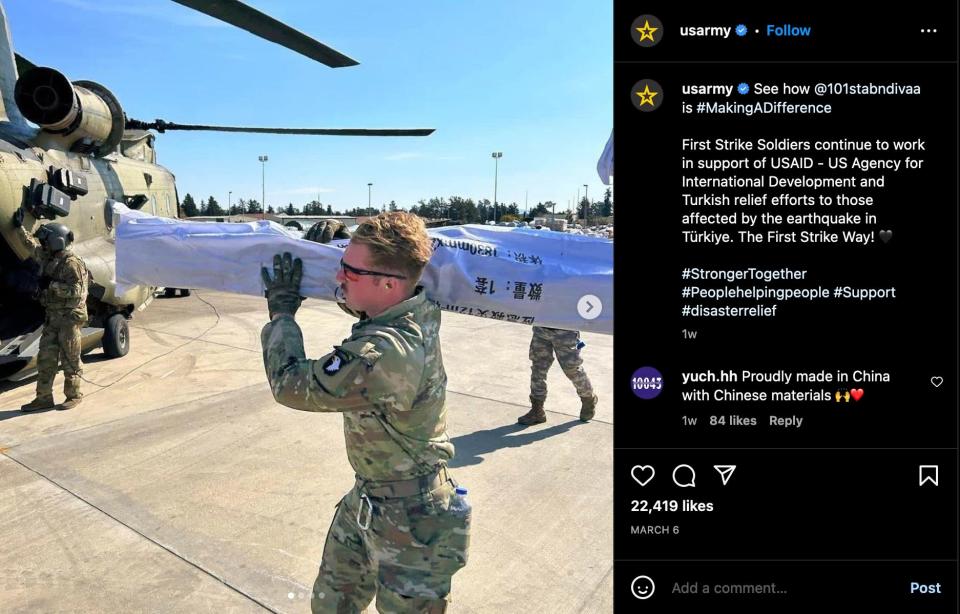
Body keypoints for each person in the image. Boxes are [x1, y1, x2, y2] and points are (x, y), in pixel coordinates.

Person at [260, 211, 469, 613]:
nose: (339, 278)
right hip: (370, 499)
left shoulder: (385, 354)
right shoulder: (413, 307)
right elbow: (368, 305)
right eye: (341, 266)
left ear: (388, 283)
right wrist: (333, 248)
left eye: (348, 271)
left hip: (412, 522)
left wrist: (282, 314)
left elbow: (290, 385)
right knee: (331, 604)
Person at [11, 208, 88, 411]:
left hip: (69, 318)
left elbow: (77, 291)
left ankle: (73, 395)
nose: (43, 245)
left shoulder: (72, 264)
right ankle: (43, 398)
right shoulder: (49, 258)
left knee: (70, 359)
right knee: (46, 358)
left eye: (46, 241)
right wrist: (19, 228)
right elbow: (30, 246)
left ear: (56, 242)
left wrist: (51, 286)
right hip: (53, 317)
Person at [517, 325, 598, 425]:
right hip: (541, 328)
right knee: (538, 367)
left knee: (571, 368)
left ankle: (588, 399)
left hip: (565, 330)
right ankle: (537, 410)